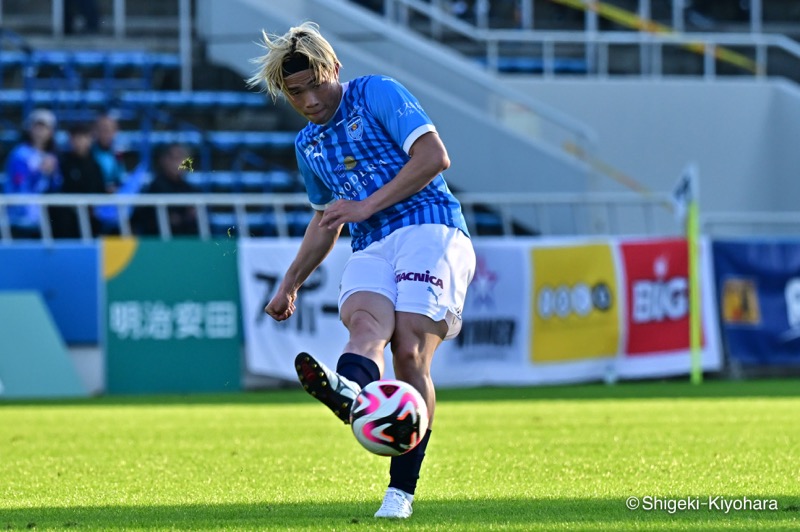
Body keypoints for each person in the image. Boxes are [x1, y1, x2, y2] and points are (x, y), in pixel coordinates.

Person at [247, 22, 475, 519]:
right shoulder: (308, 145)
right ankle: (350, 391)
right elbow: (325, 218)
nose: (308, 101)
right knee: (365, 326)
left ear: (334, 68)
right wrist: (290, 283)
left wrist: (367, 205)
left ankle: (401, 492)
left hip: (430, 227)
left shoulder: (376, 93)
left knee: (409, 349)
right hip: (371, 243)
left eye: (315, 84)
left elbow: (434, 157)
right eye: (295, 93)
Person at [3, 108, 62, 239]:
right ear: (30, 129)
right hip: (18, 216)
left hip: (40, 217)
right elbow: (19, 182)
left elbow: (55, 186)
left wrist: (51, 174)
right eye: (37, 126)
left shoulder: (52, 157)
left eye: (44, 127)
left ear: (51, 131)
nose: (40, 132)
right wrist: (39, 171)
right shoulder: (20, 154)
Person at [51, 122, 107, 239]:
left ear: (89, 139)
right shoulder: (62, 162)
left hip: (90, 215)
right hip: (68, 214)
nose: (79, 141)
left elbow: (100, 189)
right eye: (75, 138)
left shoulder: (95, 165)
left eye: (83, 137)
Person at [131, 142, 199, 237]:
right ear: (163, 160)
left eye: (180, 158)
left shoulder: (191, 190)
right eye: (173, 158)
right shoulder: (154, 188)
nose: (176, 163)